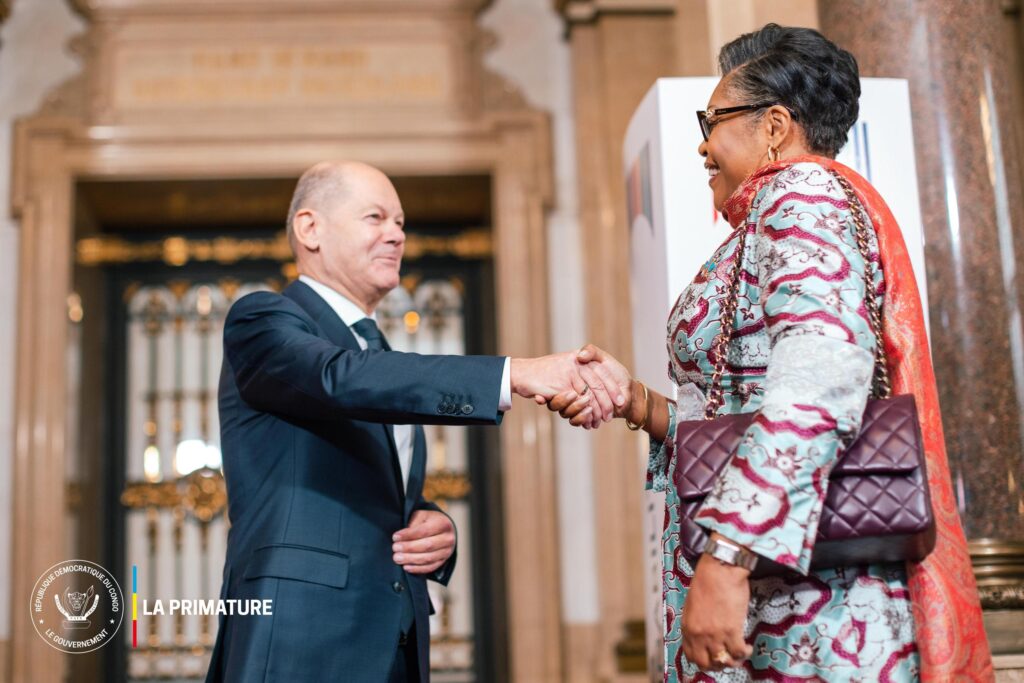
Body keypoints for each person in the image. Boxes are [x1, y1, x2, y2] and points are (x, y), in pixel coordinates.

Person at [551, 24, 991, 682]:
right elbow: (747, 409)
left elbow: (819, 378)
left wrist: (729, 556)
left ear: (776, 126)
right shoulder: (766, 217)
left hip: (814, 611)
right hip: (782, 595)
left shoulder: (801, 194)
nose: (703, 144)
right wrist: (639, 402)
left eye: (715, 119)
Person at [206, 161, 622, 683]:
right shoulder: (262, 319)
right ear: (310, 229)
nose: (396, 235)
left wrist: (432, 523)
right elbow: (336, 379)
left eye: (401, 223)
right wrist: (514, 373)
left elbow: (373, 486)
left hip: (394, 639)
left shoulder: (376, 349)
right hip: (300, 636)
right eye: (376, 217)